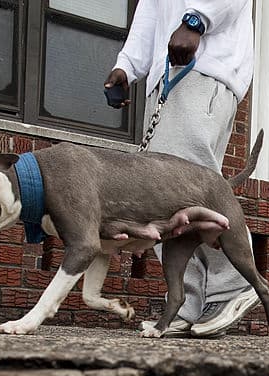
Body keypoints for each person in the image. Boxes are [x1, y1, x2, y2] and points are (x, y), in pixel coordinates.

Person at [105, 0, 259, 337]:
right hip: (170, 76)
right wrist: (127, 67)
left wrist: (195, 22)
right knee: (164, 199)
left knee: (186, 186)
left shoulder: (197, 30)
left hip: (205, 67)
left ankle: (234, 283)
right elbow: (151, 12)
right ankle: (188, 301)